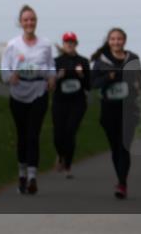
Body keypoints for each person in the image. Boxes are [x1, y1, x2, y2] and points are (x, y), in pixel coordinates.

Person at [0, 5, 56, 195]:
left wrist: (52, 78)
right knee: (22, 135)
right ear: (20, 23)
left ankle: (32, 177)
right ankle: (22, 173)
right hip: (18, 93)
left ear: (36, 21)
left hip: (39, 91)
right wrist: (10, 77)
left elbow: (51, 66)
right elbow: (4, 69)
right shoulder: (13, 45)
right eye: (26, 20)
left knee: (33, 134)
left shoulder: (46, 45)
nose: (29, 23)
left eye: (32, 19)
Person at [90, 28, 141, 199]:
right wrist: (109, 77)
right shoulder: (101, 61)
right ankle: (121, 180)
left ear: (124, 41)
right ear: (108, 41)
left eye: (119, 39)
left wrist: (137, 84)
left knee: (124, 147)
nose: (116, 42)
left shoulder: (133, 58)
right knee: (115, 148)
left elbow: (140, 78)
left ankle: (122, 183)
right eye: (113, 39)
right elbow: (94, 83)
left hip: (129, 109)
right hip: (109, 109)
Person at [52, 31, 90, 178]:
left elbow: (89, 85)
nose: (69, 44)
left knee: (70, 132)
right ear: (63, 44)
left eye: (72, 42)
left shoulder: (83, 61)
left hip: (77, 102)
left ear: (76, 44)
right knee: (58, 135)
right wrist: (57, 77)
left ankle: (68, 166)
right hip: (60, 102)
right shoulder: (56, 62)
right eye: (67, 42)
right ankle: (61, 155)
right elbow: (50, 84)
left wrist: (81, 75)